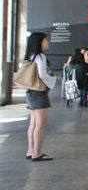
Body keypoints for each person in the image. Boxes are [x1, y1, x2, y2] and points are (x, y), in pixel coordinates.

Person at [24, 32, 57, 161]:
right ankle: (37, 153)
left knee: (33, 123)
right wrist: (52, 80)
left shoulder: (31, 55)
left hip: (30, 91)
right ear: (40, 42)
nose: (47, 42)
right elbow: (42, 74)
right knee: (41, 123)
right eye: (45, 39)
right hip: (39, 92)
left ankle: (30, 150)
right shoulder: (40, 56)